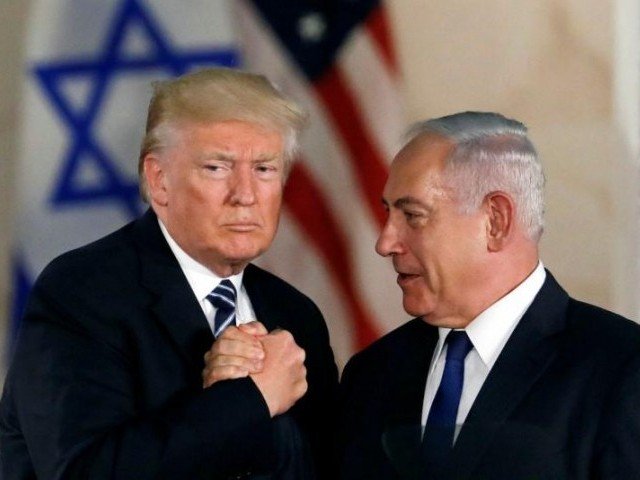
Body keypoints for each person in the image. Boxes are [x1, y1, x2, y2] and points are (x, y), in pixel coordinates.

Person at [0, 67, 339, 479]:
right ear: (159, 181)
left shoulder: (295, 315)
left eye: (264, 169)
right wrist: (247, 400)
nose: (245, 195)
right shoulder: (83, 292)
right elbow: (85, 471)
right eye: (217, 167)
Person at [337, 111, 640, 479]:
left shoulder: (622, 369)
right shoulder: (370, 375)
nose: (385, 243)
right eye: (388, 215)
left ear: (495, 221)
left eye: (412, 216)